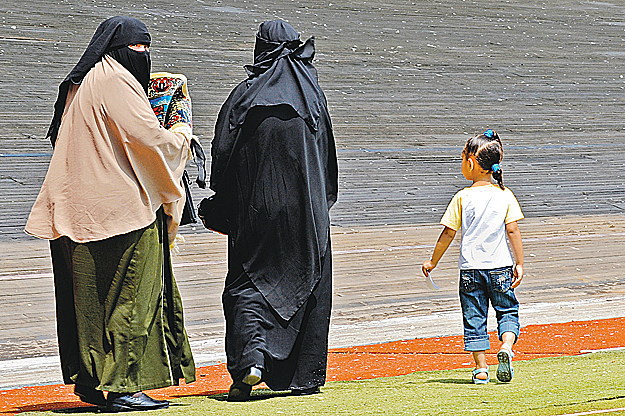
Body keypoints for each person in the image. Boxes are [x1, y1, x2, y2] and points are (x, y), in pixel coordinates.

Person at [25, 16, 195, 411]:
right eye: (136, 47)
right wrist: (182, 132)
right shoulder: (116, 80)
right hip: (121, 214)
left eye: (145, 47)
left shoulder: (80, 83)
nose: (142, 54)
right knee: (134, 297)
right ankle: (122, 386)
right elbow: (148, 141)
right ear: (119, 50)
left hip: (72, 211)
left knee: (85, 302)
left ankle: (90, 382)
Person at [205, 19, 338, 401]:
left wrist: (222, 205)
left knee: (248, 285)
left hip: (257, 212)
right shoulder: (312, 96)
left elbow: (223, 154)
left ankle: (250, 362)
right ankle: (304, 376)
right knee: (309, 281)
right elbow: (327, 159)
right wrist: (320, 201)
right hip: (307, 214)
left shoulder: (245, 96)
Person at [421, 129, 524, 384]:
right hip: (500, 267)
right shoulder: (504, 194)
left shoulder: (462, 197)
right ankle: (507, 347)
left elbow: (447, 233)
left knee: (474, 317)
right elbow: (512, 230)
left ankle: (480, 369)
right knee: (507, 311)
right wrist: (519, 263)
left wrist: (432, 261)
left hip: (470, 270)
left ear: (470, 163)